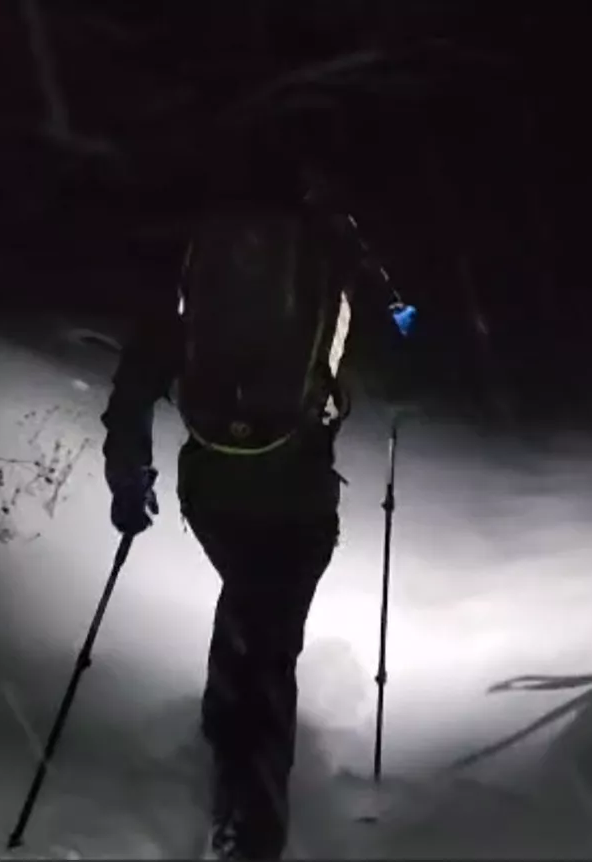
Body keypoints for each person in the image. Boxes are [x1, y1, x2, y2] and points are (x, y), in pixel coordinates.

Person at [99, 154, 379, 860]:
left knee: (248, 604)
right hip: (299, 497)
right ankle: (253, 824)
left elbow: (135, 384)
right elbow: (355, 375)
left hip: (214, 490)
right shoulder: (324, 271)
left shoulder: (197, 280)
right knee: (273, 645)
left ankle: (223, 739)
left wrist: (129, 477)